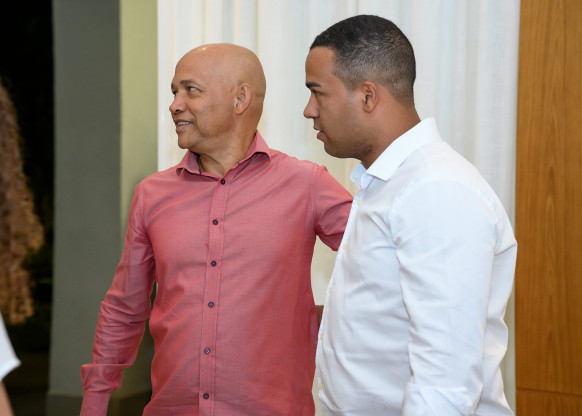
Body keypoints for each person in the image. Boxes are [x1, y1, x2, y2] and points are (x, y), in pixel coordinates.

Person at [80, 43, 352, 416]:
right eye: (174, 92)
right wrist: (94, 403)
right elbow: (124, 307)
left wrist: (326, 316)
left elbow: (381, 258)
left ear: (240, 99)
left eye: (190, 90)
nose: (175, 104)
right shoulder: (151, 194)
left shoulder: (307, 184)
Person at [304, 15, 517, 415]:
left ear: (368, 96)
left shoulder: (436, 189)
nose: (308, 110)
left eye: (318, 93)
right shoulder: (390, 184)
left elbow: (445, 383)